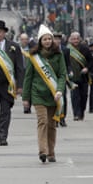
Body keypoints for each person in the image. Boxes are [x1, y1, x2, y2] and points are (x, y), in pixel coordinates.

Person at [22, 25, 67, 163]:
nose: (47, 41)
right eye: (44, 39)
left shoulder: (58, 55)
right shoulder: (34, 56)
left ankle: (51, 152)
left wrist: (59, 90)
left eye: (49, 39)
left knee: (52, 125)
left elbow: (62, 75)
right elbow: (28, 77)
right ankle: (43, 151)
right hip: (38, 94)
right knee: (42, 121)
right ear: (40, 41)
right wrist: (25, 97)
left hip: (54, 94)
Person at [67, 32, 93, 121]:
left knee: (83, 96)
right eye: (74, 39)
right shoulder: (67, 49)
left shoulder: (85, 49)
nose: (75, 41)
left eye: (77, 39)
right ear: (70, 39)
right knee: (75, 96)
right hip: (73, 77)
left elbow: (91, 61)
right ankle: (76, 114)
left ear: (80, 39)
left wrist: (87, 68)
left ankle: (81, 112)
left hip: (84, 77)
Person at [53, 32, 72, 127]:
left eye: (58, 39)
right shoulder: (49, 50)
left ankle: (62, 118)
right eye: (55, 39)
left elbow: (68, 63)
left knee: (63, 97)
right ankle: (54, 119)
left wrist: (69, 71)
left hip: (62, 77)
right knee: (54, 98)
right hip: (52, 77)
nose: (57, 41)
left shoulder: (65, 50)